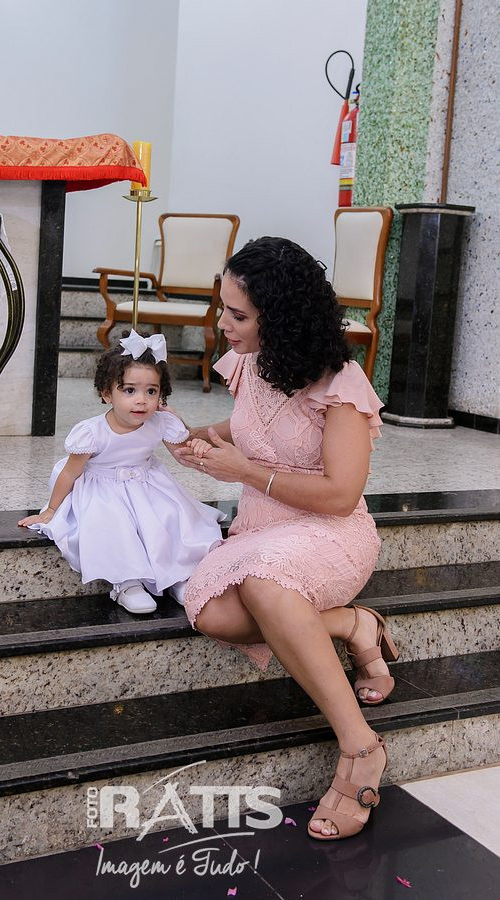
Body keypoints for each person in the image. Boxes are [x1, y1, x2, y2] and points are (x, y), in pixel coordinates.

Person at [174, 236, 399, 841]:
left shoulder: (341, 383)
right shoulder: (249, 363)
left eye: (238, 315)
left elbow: (340, 495)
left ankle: (360, 749)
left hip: (331, 533)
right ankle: (353, 624)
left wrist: (244, 471)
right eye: (222, 309)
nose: (223, 325)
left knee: (265, 584)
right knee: (214, 615)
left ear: (280, 316)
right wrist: (200, 437)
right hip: (261, 531)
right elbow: (250, 423)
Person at [18, 330, 224, 614]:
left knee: (167, 518)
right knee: (114, 524)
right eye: (129, 390)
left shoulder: (160, 422)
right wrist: (51, 511)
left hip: (146, 484)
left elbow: (182, 453)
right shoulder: (92, 433)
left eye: (151, 391)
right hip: (103, 490)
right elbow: (69, 473)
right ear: (107, 394)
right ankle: (127, 582)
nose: (142, 400)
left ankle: (176, 575)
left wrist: (196, 444)